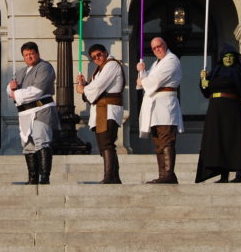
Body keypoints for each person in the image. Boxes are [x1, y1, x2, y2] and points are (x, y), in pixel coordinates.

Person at [196, 45, 241, 183]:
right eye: (225, 56)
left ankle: (238, 175)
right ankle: (223, 176)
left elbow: (231, 84)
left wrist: (210, 83)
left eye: (231, 56)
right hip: (216, 111)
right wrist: (202, 81)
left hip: (232, 110)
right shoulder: (215, 72)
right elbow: (206, 93)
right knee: (220, 142)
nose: (228, 59)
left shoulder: (238, 71)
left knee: (235, 141)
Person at [7, 41, 57, 185]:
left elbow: (38, 90)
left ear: (37, 53)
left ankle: (44, 177)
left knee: (41, 141)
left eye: (31, 54)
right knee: (28, 145)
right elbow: (9, 90)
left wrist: (16, 94)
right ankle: (32, 178)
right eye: (26, 55)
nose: (29, 57)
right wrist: (11, 88)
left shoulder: (45, 67)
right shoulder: (21, 71)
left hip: (41, 109)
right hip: (24, 113)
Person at [136, 36, 183, 184]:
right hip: (155, 106)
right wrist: (142, 71)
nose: (157, 49)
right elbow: (146, 80)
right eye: (154, 48)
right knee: (158, 142)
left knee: (166, 139)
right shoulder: (157, 63)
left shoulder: (171, 60)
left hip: (165, 104)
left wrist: (143, 80)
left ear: (165, 44)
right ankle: (163, 174)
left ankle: (169, 173)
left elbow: (155, 81)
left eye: (159, 46)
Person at [76, 43, 125, 184]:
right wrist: (85, 84)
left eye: (99, 54)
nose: (97, 58)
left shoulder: (112, 65)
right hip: (100, 109)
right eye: (94, 57)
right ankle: (114, 176)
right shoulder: (99, 69)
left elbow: (99, 86)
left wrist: (83, 90)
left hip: (109, 109)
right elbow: (95, 88)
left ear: (105, 52)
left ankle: (110, 176)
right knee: (104, 144)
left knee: (107, 142)